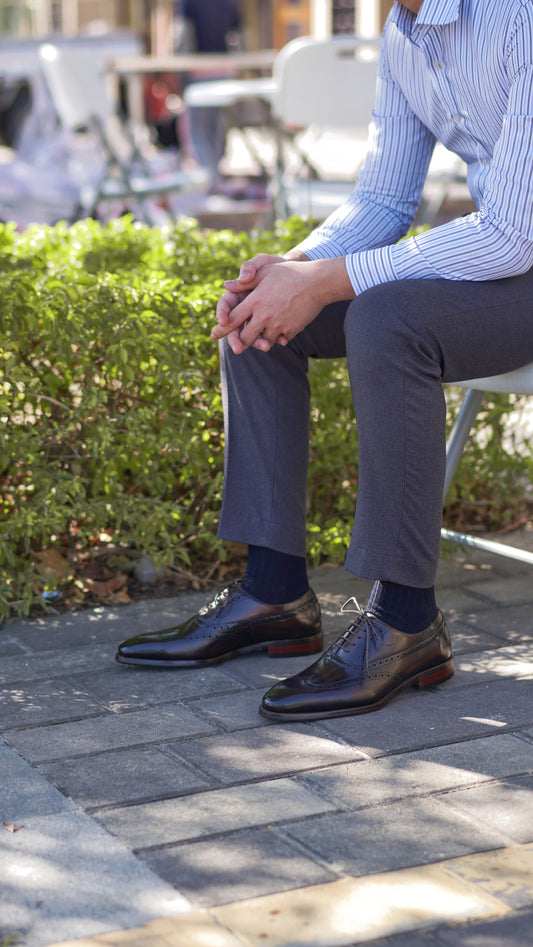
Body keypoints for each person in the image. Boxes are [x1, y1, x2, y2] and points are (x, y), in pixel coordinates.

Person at [116, 0, 533, 721]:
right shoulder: (405, 34)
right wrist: (294, 267)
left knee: (384, 316)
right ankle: (273, 591)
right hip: (498, 262)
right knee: (262, 309)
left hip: (516, 252)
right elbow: (382, 196)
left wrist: (327, 282)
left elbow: (512, 232)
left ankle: (406, 620)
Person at [181, 0, 241, 192]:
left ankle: (210, 180)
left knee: (199, 128)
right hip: (224, 68)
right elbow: (238, 39)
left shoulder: (188, 3)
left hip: (199, 68)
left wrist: (180, 72)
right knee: (218, 127)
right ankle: (216, 178)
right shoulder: (229, 3)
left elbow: (183, 36)